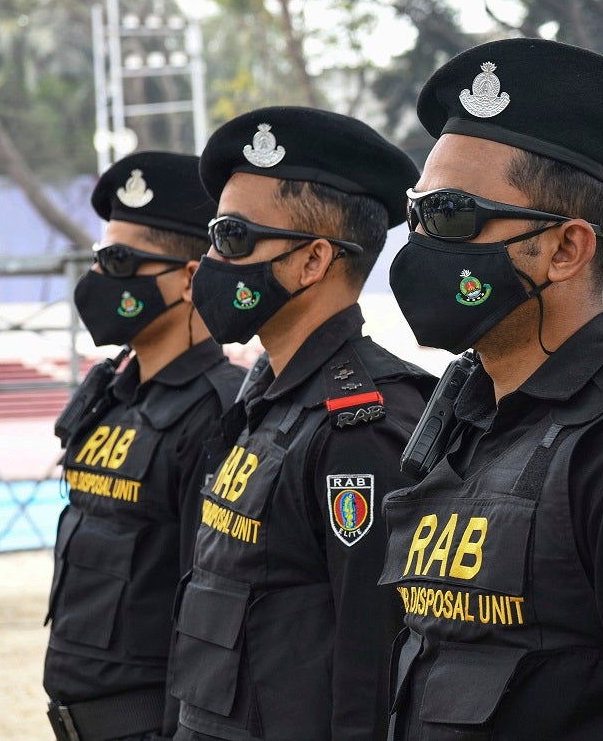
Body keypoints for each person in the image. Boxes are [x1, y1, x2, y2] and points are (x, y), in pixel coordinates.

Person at [378, 38, 603, 740]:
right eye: (417, 213)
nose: (422, 243)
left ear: (564, 249)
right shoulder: (458, 419)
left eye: (453, 216)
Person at [170, 107, 435, 741]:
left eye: (232, 237)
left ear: (313, 260)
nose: (209, 260)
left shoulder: (364, 424)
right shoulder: (263, 392)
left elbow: (369, 660)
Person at [45, 152, 246, 741]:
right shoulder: (112, 393)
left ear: (189, 278)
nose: (100, 278)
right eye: (100, 258)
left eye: (120, 261)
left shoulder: (217, 411)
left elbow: (205, 605)